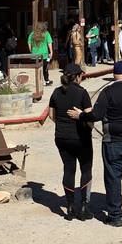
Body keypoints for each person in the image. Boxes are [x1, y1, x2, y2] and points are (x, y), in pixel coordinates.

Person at [68, 60, 122, 226]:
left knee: (113, 178)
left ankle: (115, 216)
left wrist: (81, 116)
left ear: (114, 75)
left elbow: (96, 115)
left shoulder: (108, 92)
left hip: (112, 141)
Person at [49, 63, 93, 220]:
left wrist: (62, 125)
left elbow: (51, 115)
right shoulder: (82, 93)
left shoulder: (56, 92)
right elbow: (90, 119)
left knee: (69, 169)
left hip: (61, 137)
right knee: (86, 169)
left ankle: (69, 206)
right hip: (81, 138)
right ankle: (84, 206)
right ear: (78, 77)